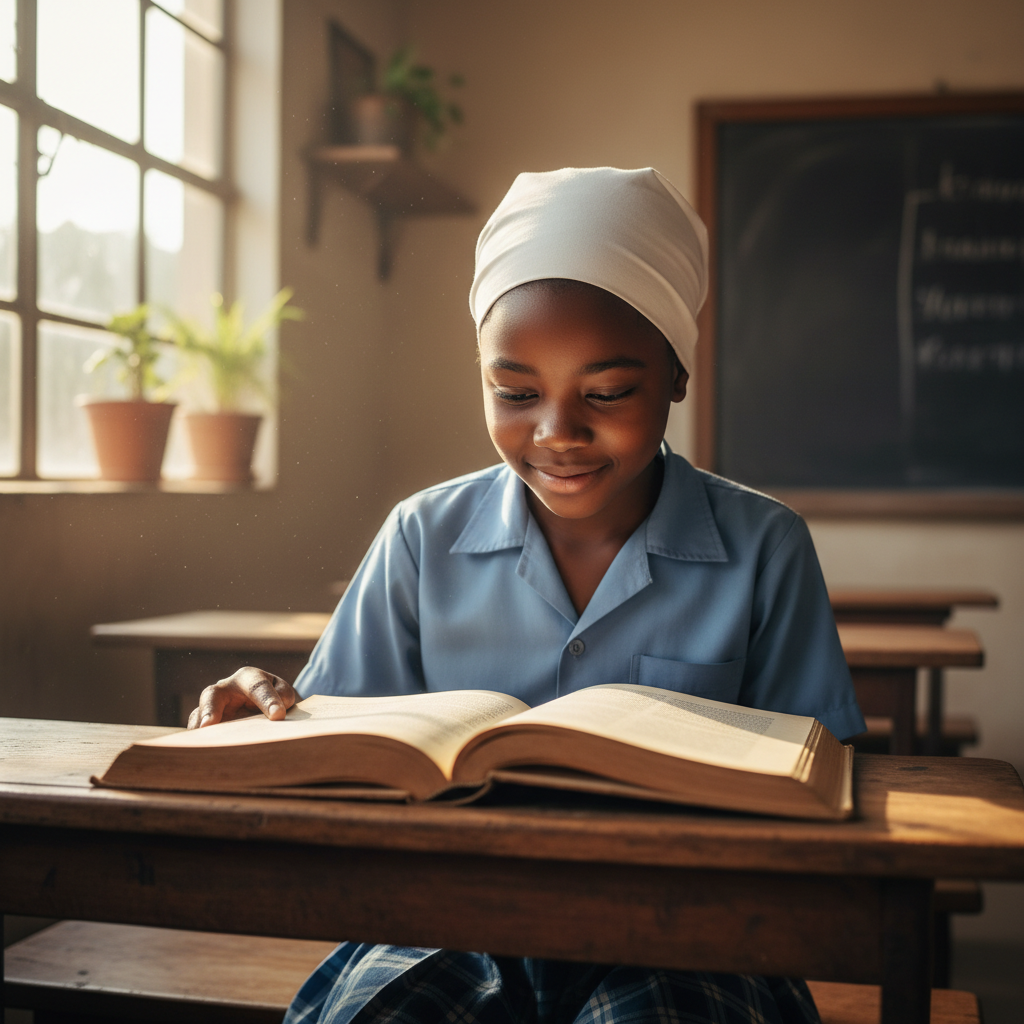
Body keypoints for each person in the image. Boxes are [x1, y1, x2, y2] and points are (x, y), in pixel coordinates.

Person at [189, 166, 864, 1024]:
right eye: (514, 393)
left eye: (609, 392)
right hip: (437, 920)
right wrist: (264, 731)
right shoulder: (421, 537)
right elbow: (337, 753)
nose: (556, 433)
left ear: (676, 377)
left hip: (689, 929)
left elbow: (828, 786)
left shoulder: (764, 546)